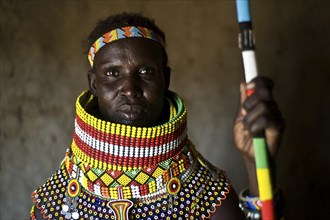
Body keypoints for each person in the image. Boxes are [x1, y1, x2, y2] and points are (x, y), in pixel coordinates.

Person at [30, 12, 285, 220]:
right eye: (112, 73)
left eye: (145, 71)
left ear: (166, 79)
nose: (130, 88)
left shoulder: (204, 193)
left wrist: (256, 163)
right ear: (94, 84)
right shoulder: (55, 203)